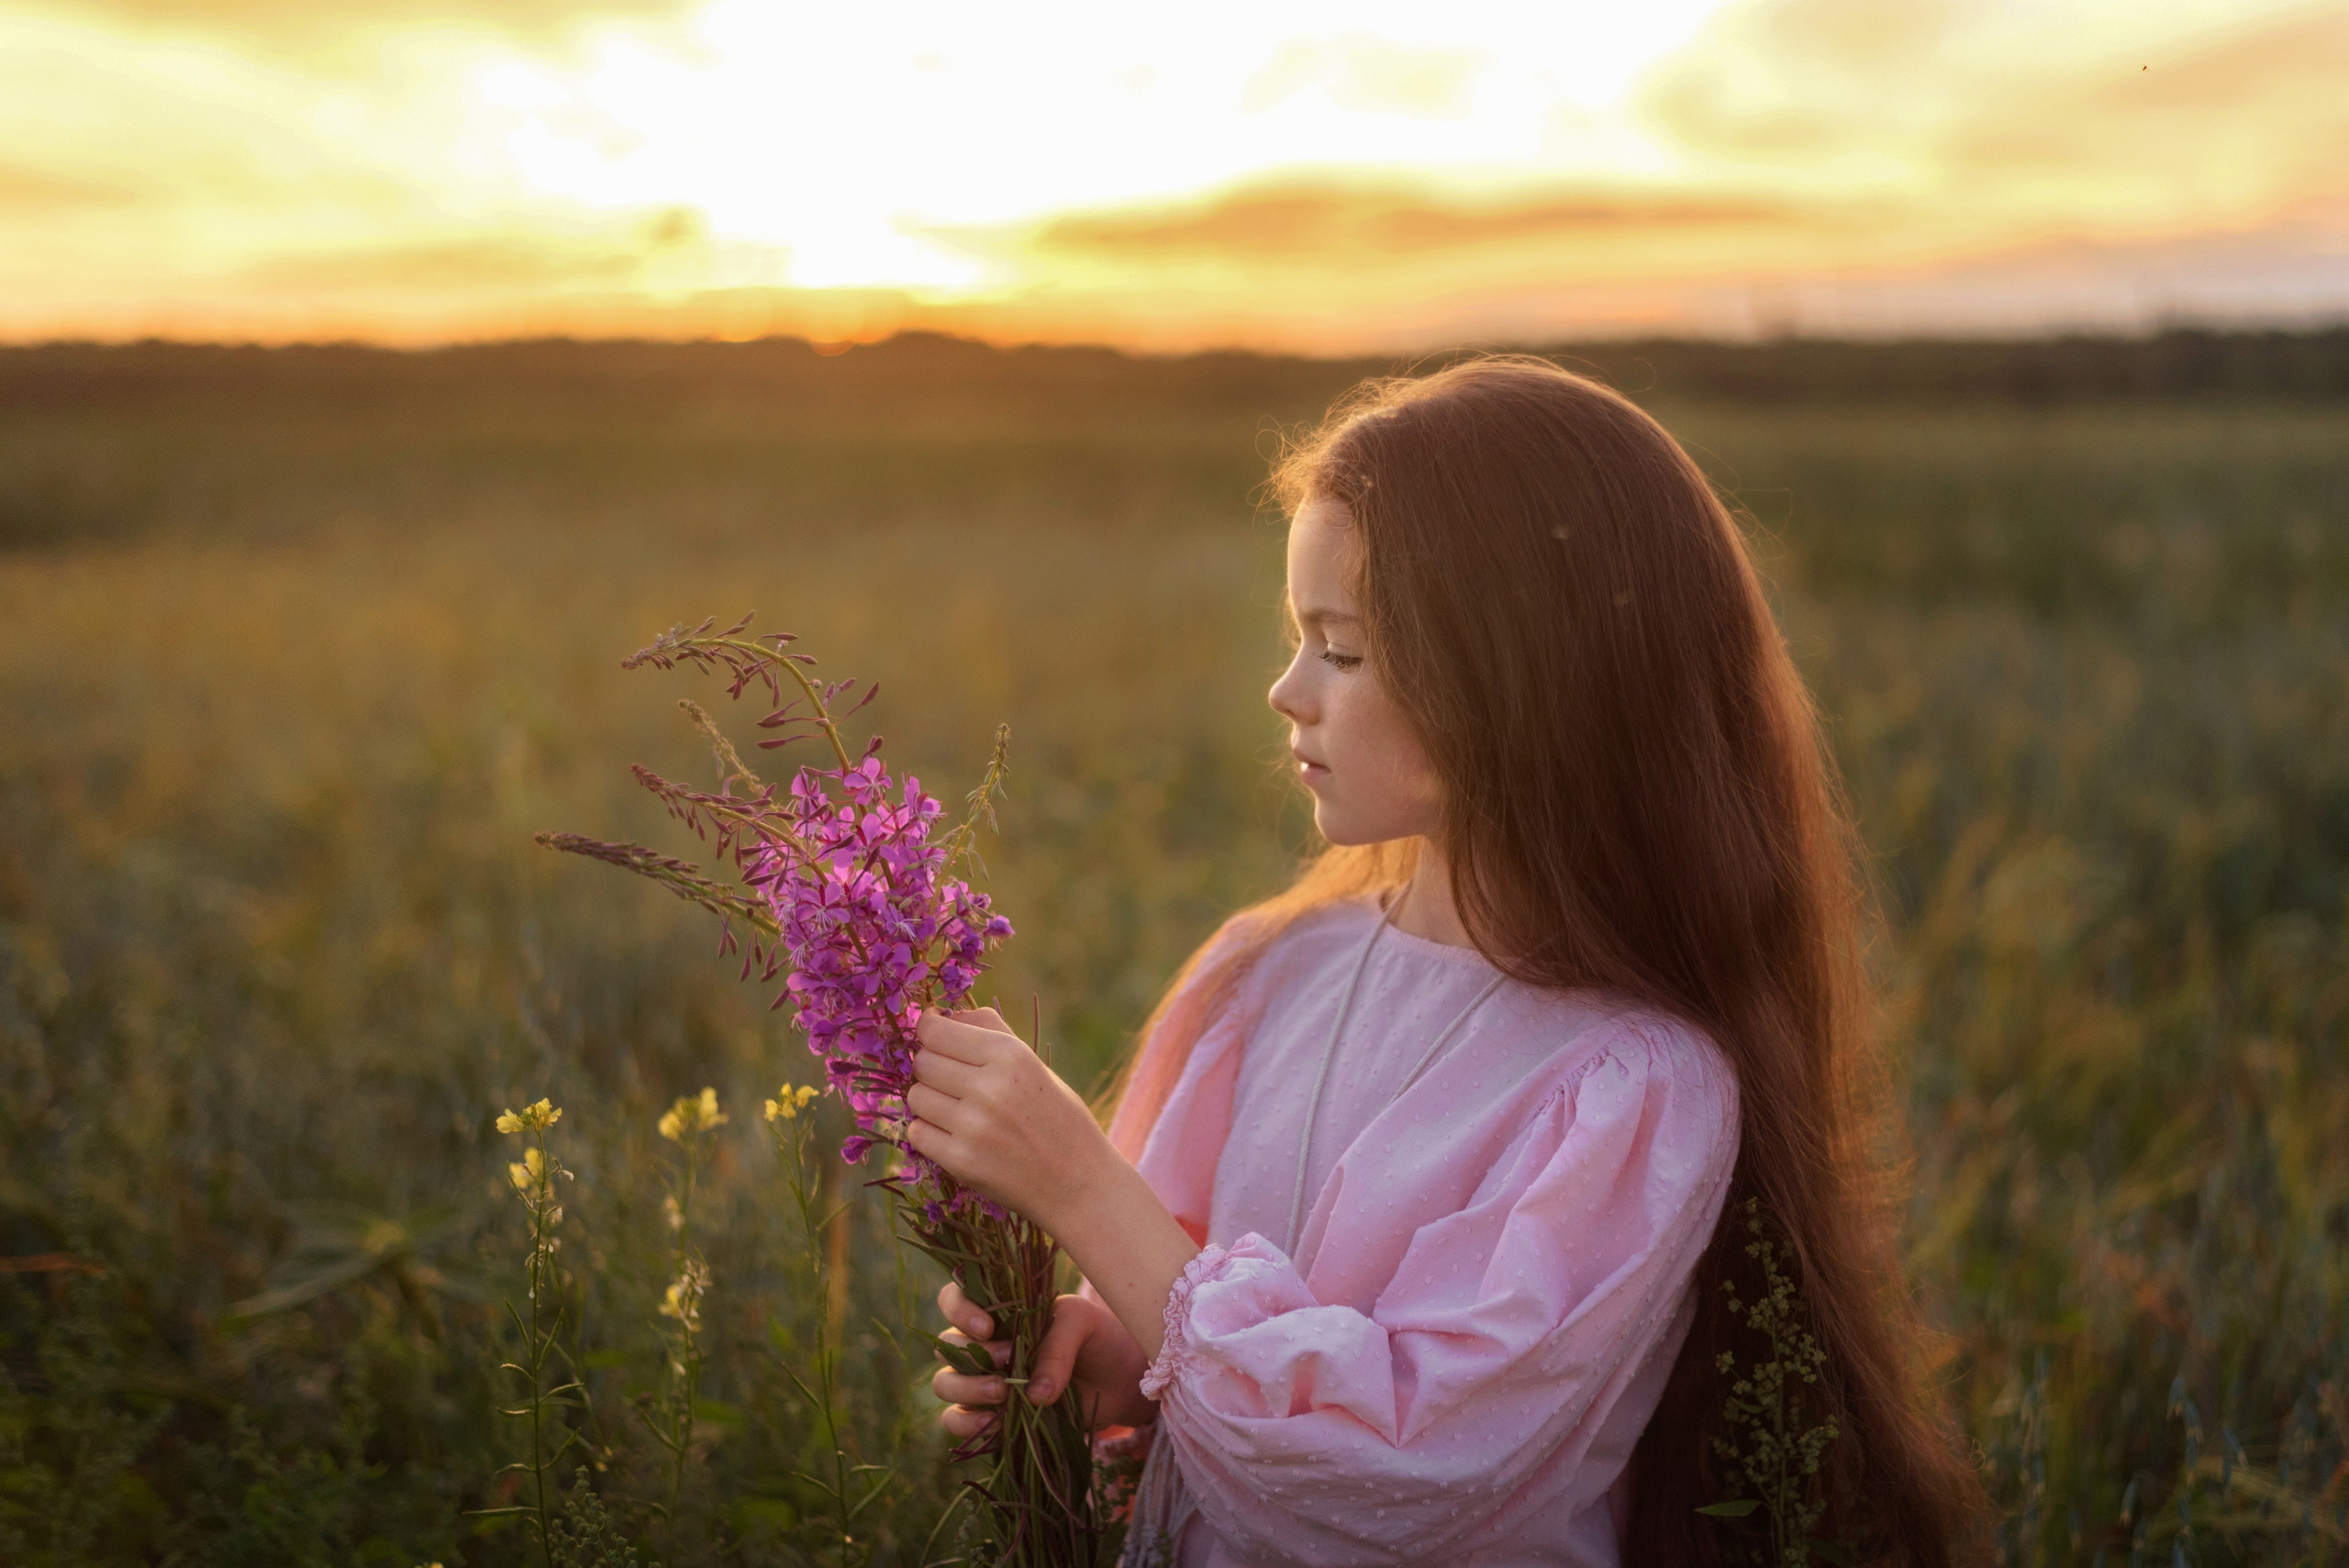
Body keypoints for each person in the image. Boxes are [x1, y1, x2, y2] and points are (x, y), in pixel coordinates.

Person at [903, 356, 1984, 1565]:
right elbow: (1182, 1314)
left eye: (1343, 649)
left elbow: (1408, 1476)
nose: (1287, 689)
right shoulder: (1263, 974)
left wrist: (1079, 1182)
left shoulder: (1630, 1083)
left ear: (1522, 678)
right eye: (1295, 637)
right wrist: (1106, 1360)